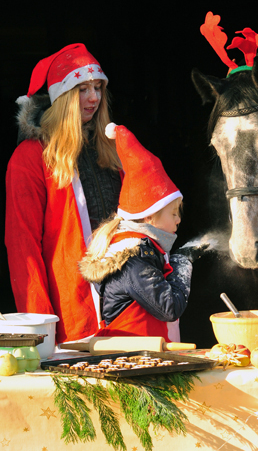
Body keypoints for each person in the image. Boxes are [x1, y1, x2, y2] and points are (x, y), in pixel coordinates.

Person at [5, 44, 122, 344]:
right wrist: (39, 330)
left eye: (98, 87)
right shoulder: (31, 157)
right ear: (62, 96)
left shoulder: (113, 149)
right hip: (72, 319)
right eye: (82, 89)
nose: (94, 97)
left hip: (127, 311)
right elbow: (23, 249)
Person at [79, 124, 207, 341]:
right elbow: (169, 307)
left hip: (144, 358)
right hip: (130, 364)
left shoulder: (141, 251)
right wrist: (182, 262)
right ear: (149, 216)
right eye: (173, 213)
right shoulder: (134, 259)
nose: (179, 219)